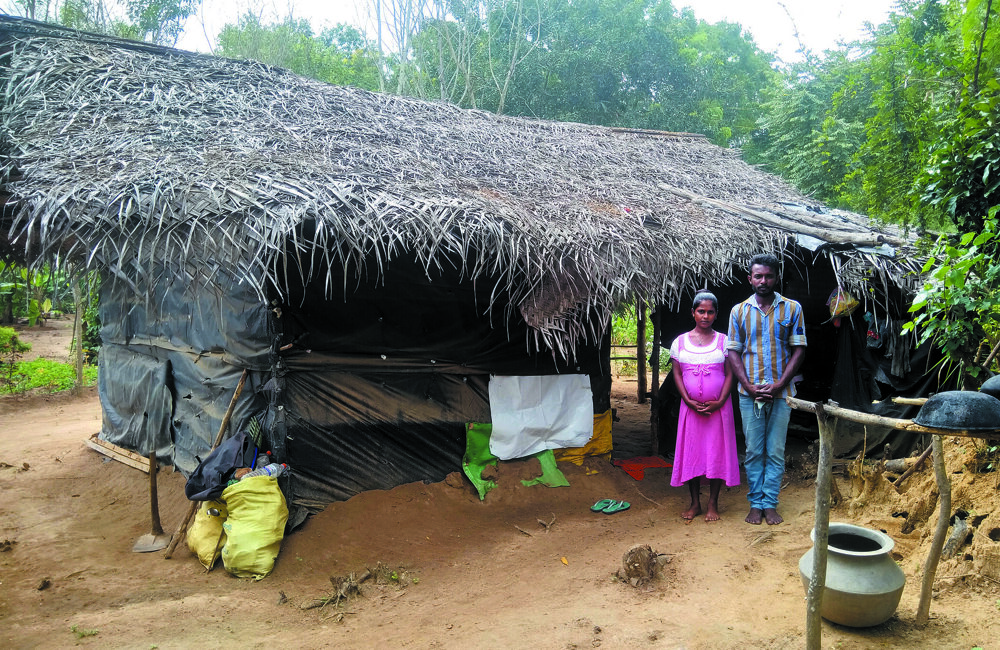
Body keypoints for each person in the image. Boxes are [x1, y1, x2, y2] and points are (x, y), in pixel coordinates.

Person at [727, 254, 807, 526]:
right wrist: (748, 386)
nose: (763, 281)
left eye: (768, 276)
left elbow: (799, 350)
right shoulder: (738, 311)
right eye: (758, 276)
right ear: (750, 279)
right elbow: (733, 352)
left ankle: (770, 503)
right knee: (753, 451)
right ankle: (754, 503)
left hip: (782, 395)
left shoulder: (792, 308)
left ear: (776, 278)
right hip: (749, 395)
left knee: (774, 450)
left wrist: (780, 385)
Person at [669, 290, 740, 522]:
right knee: (691, 453)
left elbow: (731, 374)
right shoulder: (679, 342)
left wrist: (720, 400)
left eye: (710, 312)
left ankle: (712, 503)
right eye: (701, 311)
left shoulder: (724, 341)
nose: (705, 316)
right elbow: (677, 374)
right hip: (690, 409)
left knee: (716, 454)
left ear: (716, 314)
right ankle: (695, 503)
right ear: (693, 313)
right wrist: (687, 399)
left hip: (719, 410)